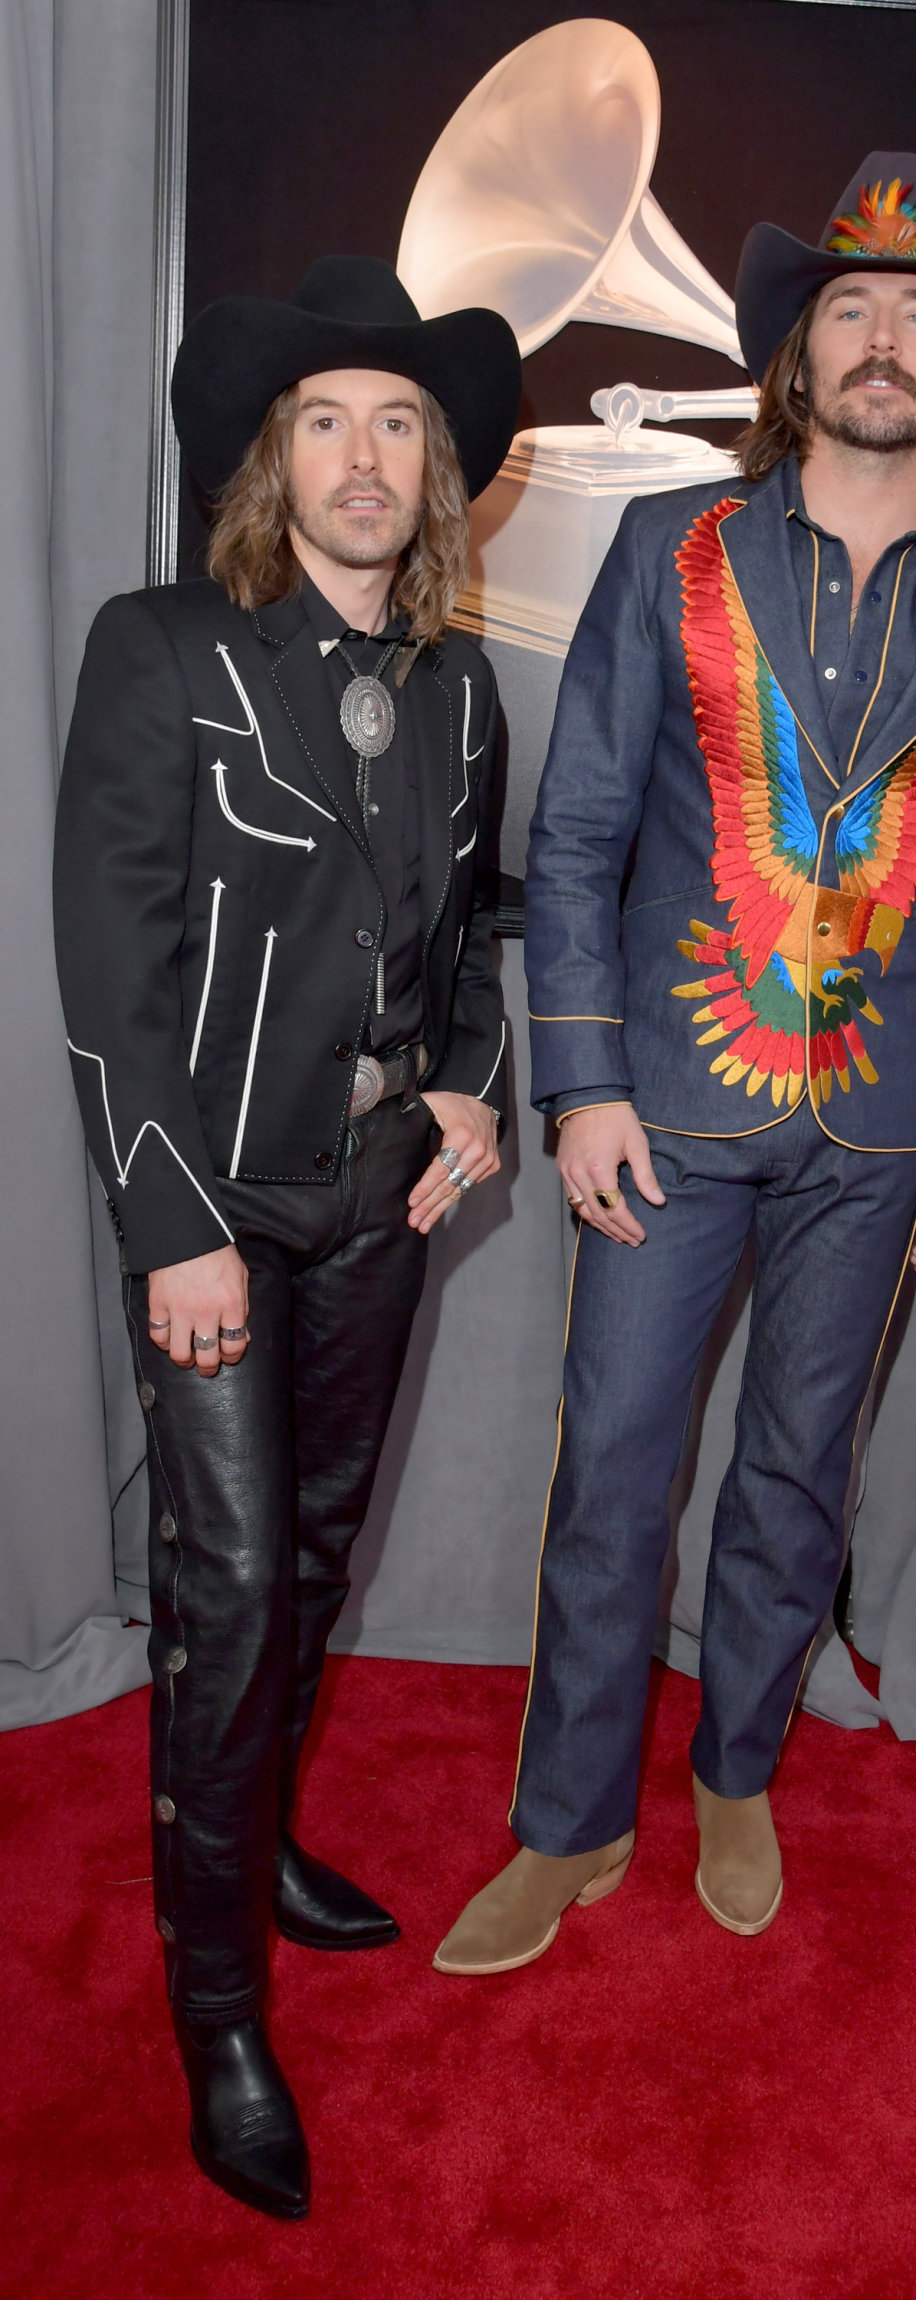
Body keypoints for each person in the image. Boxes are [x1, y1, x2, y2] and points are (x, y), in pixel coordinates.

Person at [436, 155, 916, 1978]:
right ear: (799, 360)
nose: (882, 339)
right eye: (848, 309)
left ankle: (736, 1767)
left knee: (801, 1472)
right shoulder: (669, 551)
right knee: (615, 1471)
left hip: (885, 1139)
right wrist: (584, 1086)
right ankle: (563, 1826)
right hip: (667, 1109)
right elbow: (573, 843)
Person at [53, 256, 520, 2219]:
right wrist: (168, 1224)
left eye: (398, 422)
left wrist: (475, 1088)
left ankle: (256, 1846)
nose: (364, 455)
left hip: (376, 1203)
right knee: (230, 1597)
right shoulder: (161, 646)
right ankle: (218, 2001)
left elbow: (475, 927)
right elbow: (110, 963)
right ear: (276, 457)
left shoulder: (463, 686)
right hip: (220, 1213)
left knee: (316, 1557)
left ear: (434, 471)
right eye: (328, 418)